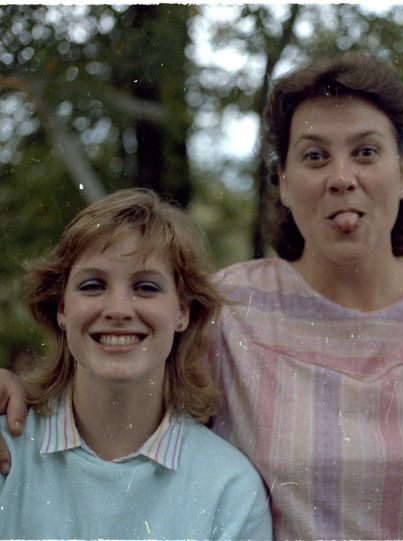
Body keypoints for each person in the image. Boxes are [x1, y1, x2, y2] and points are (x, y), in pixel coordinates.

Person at [0, 54, 403, 539]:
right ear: (282, 181)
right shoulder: (232, 309)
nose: (342, 177)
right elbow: (115, 395)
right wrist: (10, 394)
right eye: (314, 156)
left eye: (366, 152)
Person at [0, 189, 271, 539]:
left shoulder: (229, 488)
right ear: (62, 309)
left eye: (145, 287)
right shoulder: (8, 451)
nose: (118, 309)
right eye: (93, 285)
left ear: (182, 312)